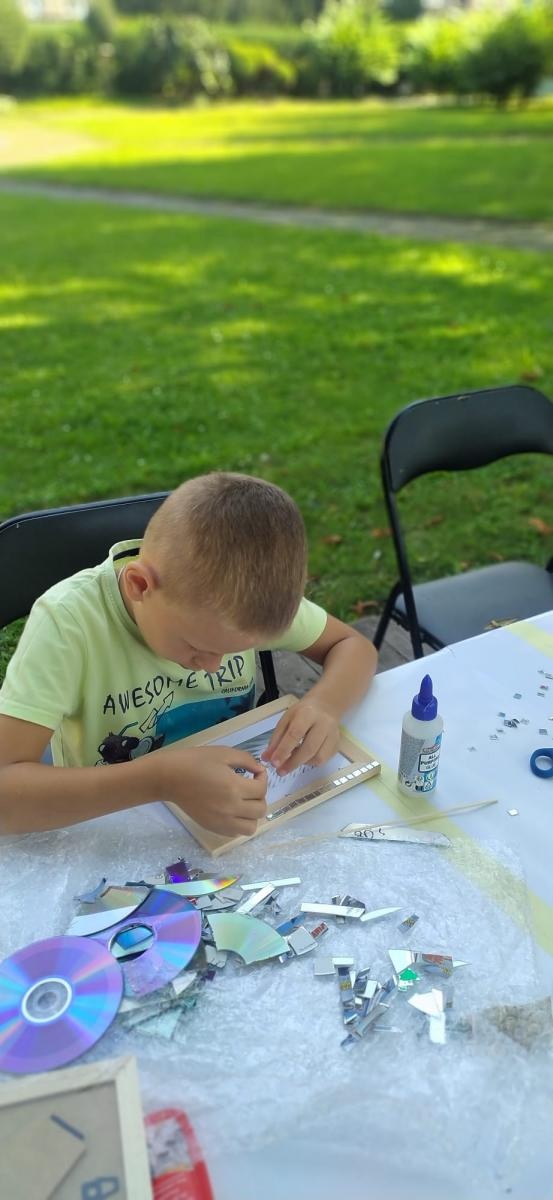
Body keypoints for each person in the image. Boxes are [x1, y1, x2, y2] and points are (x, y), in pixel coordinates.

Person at [0, 473, 377, 837]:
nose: (212, 667)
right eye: (198, 648)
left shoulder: (238, 602)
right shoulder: (69, 625)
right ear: (139, 586)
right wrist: (160, 780)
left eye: (236, 652)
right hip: (110, 819)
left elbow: (352, 647)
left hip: (225, 809)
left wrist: (326, 705)